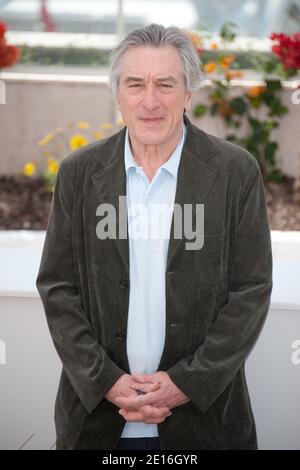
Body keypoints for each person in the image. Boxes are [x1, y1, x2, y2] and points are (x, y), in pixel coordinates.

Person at [36, 23, 273, 450]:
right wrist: (106, 382)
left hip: (205, 429)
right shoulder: (78, 174)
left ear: (188, 93)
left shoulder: (236, 173)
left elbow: (251, 290)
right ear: (118, 95)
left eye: (165, 83)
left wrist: (187, 382)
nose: (150, 100)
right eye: (135, 84)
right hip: (97, 428)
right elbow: (57, 288)